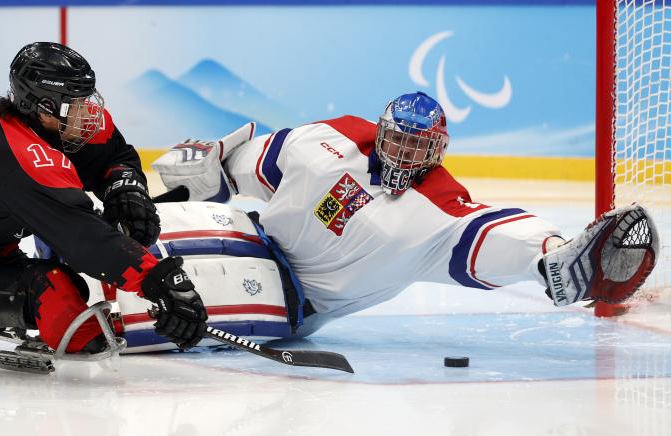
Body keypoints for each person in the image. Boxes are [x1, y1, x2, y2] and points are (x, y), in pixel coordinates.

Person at [128, 91, 658, 350]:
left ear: (439, 149)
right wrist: (210, 163)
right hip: (250, 234)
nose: (403, 152)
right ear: (381, 130)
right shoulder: (330, 138)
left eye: (417, 144)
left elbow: (497, 230)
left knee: (152, 309)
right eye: (396, 138)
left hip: (291, 300)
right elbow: (248, 168)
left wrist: (551, 257)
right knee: (133, 243)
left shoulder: (443, 211)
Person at [0, 42, 208, 360]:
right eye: (75, 104)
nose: (88, 113)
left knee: (115, 222)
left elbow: (115, 154)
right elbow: (85, 240)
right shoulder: (17, 158)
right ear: (44, 108)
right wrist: (160, 282)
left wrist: (126, 191)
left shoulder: (48, 124)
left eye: (87, 99)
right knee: (60, 297)